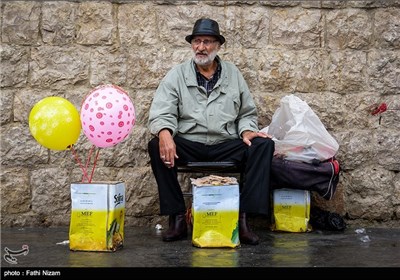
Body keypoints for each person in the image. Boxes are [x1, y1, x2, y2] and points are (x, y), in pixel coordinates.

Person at [148, 18, 275, 245]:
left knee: (263, 145)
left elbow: (247, 112)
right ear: (192, 45)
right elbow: (162, 110)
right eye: (197, 41)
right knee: (155, 145)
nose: (201, 47)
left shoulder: (233, 74)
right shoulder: (177, 75)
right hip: (190, 143)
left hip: (225, 143)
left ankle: (243, 220)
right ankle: (177, 218)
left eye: (207, 42)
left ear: (217, 46)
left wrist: (247, 131)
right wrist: (165, 133)